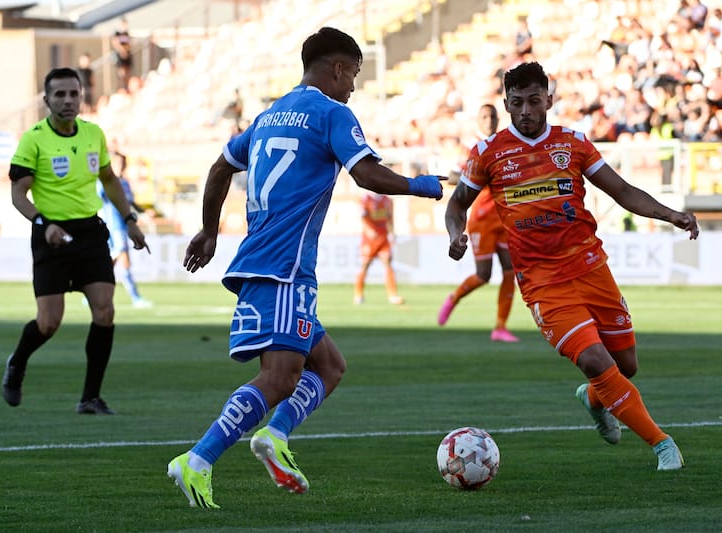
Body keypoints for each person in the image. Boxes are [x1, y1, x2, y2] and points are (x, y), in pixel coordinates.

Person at [167, 27, 444, 509]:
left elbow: (218, 168)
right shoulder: (332, 112)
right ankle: (199, 458)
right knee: (279, 378)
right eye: (353, 74)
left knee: (330, 366)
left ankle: (274, 437)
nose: (353, 86)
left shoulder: (269, 114)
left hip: (263, 259)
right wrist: (422, 186)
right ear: (337, 68)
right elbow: (366, 173)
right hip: (285, 266)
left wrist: (209, 231)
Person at [444, 62, 699, 471]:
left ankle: (594, 398)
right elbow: (457, 205)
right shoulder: (488, 153)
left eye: (533, 100)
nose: (525, 110)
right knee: (596, 361)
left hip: (592, 269)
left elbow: (621, 190)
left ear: (549, 99)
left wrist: (670, 214)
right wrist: (456, 234)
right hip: (543, 283)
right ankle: (661, 443)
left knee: (625, 366)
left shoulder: (574, 144)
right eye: (517, 103)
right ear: (507, 106)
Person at [2, 67, 149, 415]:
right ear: (46, 100)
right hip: (50, 236)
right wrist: (42, 222)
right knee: (49, 323)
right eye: (60, 95)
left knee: (105, 309)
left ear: (81, 97)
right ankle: (17, 362)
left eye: (74, 94)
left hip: (90, 234)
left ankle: (90, 397)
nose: (68, 101)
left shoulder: (94, 134)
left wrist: (129, 220)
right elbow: (18, 195)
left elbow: (110, 179)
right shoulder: (33, 139)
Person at [438, 103, 519, 342]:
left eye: (492, 116)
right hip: (482, 221)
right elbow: (453, 177)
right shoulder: (471, 148)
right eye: (484, 116)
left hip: (504, 220)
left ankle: (500, 327)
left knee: (510, 271)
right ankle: (454, 298)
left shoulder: (506, 145)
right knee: (483, 275)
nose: (489, 120)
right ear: (477, 120)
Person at [97, 150, 152, 308]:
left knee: (113, 261)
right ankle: (136, 298)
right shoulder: (104, 183)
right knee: (124, 259)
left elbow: (130, 203)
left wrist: (143, 212)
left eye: (123, 163)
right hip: (113, 226)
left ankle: (92, 290)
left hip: (125, 225)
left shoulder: (125, 183)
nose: (121, 166)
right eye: (118, 163)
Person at [353, 191, 404, 305]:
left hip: (383, 237)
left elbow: (390, 218)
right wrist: (368, 230)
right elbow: (363, 217)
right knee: (365, 265)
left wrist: (392, 233)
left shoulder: (387, 200)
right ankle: (358, 294)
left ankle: (392, 295)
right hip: (370, 239)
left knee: (387, 262)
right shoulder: (365, 199)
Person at [111, 18, 133, 92]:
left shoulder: (127, 33)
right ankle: (121, 89)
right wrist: (122, 51)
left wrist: (126, 51)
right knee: (121, 73)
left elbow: (129, 44)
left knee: (127, 73)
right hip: (120, 56)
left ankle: (126, 88)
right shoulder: (117, 33)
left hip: (127, 55)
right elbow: (116, 43)